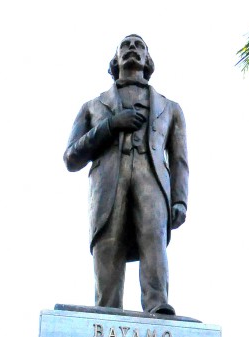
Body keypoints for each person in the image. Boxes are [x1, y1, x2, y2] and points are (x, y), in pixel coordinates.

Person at [64, 34, 188, 315]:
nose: (132, 48)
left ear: (147, 59)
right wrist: (111, 125)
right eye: (125, 45)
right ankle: (107, 311)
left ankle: (157, 305)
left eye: (139, 45)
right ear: (116, 59)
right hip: (108, 185)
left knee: (154, 241)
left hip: (152, 181)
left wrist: (180, 199)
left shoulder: (170, 109)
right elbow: (71, 157)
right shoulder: (92, 106)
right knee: (108, 245)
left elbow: (179, 159)